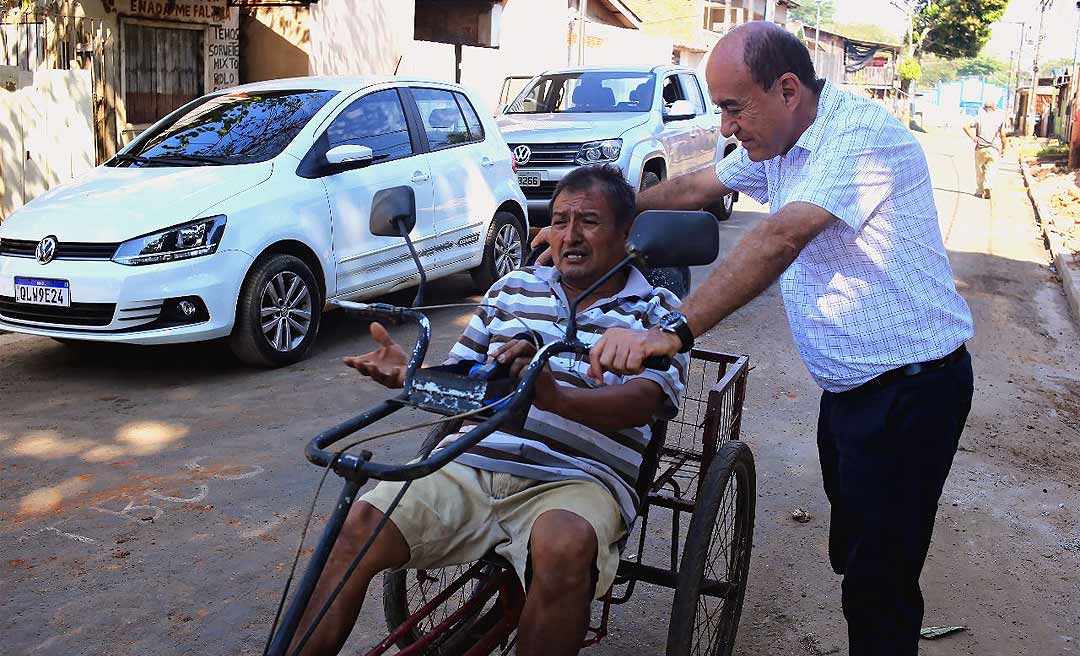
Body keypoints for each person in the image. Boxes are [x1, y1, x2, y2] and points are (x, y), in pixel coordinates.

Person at [534, 21, 974, 656]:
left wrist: (674, 330)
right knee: (856, 552)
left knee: (881, 581)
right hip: (849, 391)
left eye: (733, 107)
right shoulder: (781, 144)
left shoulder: (858, 140)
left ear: (787, 90)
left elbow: (779, 238)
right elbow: (701, 186)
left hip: (913, 390)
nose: (725, 125)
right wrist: (596, 220)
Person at [288, 164, 688, 656]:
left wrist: (555, 397)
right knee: (357, 527)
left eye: (588, 221)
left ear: (626, 233)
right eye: (560, 221)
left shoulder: (657, 313)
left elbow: (647, 400)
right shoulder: (512, 289)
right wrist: (412, 376)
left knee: (563, 547)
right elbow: (463, 377)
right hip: (472, 462)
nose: (570, 236)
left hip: (577, 479)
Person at [963, 100, 1006, 199]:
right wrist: (1004, 148)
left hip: (980, 148)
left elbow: (965, 127)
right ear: (994, 108)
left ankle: (979, 191)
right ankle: (988, 186)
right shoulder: (999, 119)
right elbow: (1003, 135)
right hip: (993, 149)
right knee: (991, 169)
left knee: (979, 170)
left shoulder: (978, 118)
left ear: (983, 108)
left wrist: (973, 137)